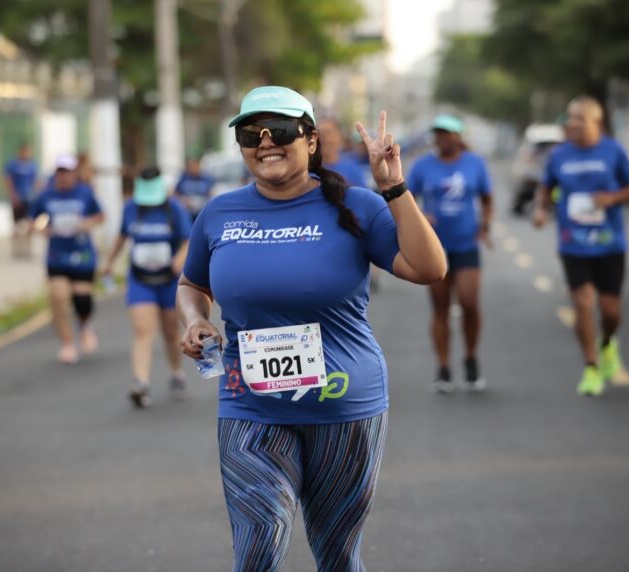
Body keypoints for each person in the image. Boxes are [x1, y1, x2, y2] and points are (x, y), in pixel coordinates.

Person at [176, 86, 446, 570]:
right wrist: (195, 319)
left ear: (311, 141)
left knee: (337, 555)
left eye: (279, 130)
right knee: (257, 545)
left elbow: (428, 268)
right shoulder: (219, 213)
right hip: (249, 402)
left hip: (345, 405)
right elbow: (191, 283)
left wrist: (395, 189)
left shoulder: (358, 206)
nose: (264, 143)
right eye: (249, 133)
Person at [533, 96, 629, 397]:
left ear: (597, 122)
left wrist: (612, 198)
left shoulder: (613, 151)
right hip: (573, 243)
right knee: (581, 301)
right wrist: (541, 210)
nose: (573, 123)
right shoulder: (559, 154)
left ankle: (607, 342)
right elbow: (547, 186)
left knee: (610, 311)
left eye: (580, 117)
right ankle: (591, 366)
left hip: (609, 243)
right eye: (571, 117)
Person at [406, 114, 493, 393]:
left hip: (466, 244)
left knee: (469, 302)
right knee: (440, 307)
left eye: (448, 133)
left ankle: (470, 357)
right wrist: (421, 217)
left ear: (459, 136)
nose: (442, 138)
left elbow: (487, 198)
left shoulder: (474, 163)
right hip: (435, 248)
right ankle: (443, 368)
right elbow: (406, 201)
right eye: (438, 133)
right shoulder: (422, 166)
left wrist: (485, 226)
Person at [102, 167, 193, 408]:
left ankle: (176, 373)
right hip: (141, 279)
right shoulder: (131, 208)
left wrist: (179, 259)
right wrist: (108, 262)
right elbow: (122, 237)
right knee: (143, 331)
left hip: (169, 280)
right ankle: (140, 383)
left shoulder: (174, 208)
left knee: (171, 332)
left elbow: (188, 240)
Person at [29, 154, 104, 364]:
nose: (63, 176)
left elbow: (100, 216)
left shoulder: (85, 193)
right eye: (59, 172)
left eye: (67, 172)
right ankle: (68, 344)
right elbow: (33, 220)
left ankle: (84, 325)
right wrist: (43, 229)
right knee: (58, 298)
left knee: (82, 301)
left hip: (82, 255)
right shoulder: (46, 194)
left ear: (74, 173)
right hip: (57, 256)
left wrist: (86, 224)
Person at [4, 142, 39, 258]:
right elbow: (8, 181)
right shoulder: (13, 164)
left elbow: (36, 182)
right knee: (17, 226)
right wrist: (13, 196)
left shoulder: (33, 165)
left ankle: (28, 250)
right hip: (17, 199)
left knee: (30, 224)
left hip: (29, 199)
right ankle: (17, 250)